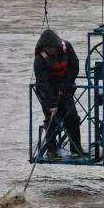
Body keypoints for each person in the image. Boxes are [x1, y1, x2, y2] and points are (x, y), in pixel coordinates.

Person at [34, 29, 83, 158]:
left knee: (72, 117)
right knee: (52, 119)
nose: (51, 51)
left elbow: (75, 66)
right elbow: (43, 83)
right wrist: (52, 103)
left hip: (65, 87)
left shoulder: (67, 47)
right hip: (48, 91)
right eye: (48, 49)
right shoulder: (40, 59)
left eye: (53, 48)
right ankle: (52, 150)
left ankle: (76, 148)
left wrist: (66, 83)